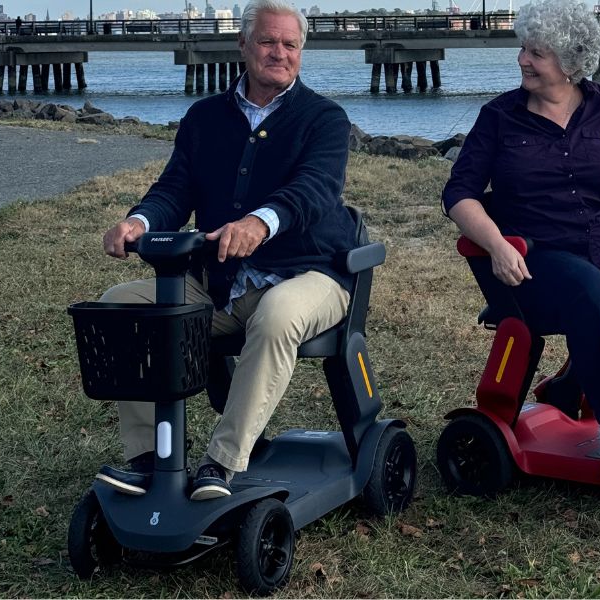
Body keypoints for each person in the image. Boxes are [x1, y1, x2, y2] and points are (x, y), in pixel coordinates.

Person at [95, 0, 356, 501]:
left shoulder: (325, 118)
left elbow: (314, 189)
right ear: (243, 45)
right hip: (219, 281)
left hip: (310, 274)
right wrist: (139, 221)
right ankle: (152, 462)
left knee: (278, 314)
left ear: (301, 52)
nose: (278, 53)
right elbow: (175, 188)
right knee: (120, 303)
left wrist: (260, 222)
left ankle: (222, 462)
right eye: (267, 41)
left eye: (289, 44)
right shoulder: (204, 117)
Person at [441, 0, 600, 478]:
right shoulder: (500, 118)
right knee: (594, 296)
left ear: (570, 61)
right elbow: (459, 194)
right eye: (524, 49)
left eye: (536, 53)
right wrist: (497, 245)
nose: (522, 60)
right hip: (541, 253)